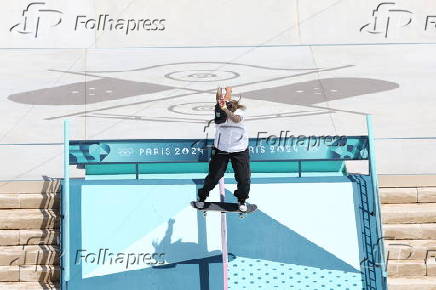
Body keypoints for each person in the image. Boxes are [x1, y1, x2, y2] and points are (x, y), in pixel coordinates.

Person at [197, 87, 251, 212]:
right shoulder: (219, 113)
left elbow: (235, 119)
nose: (227, 106)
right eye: (226, 104)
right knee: (214, 176)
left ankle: (241, 199)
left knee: (243, 178)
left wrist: (226, 109)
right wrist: (219, 89)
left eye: (230, 105)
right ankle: (202, 196)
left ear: (234, 106)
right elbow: (219, 99)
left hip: (239, 149)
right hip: (221, 149)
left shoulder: (240, 113)